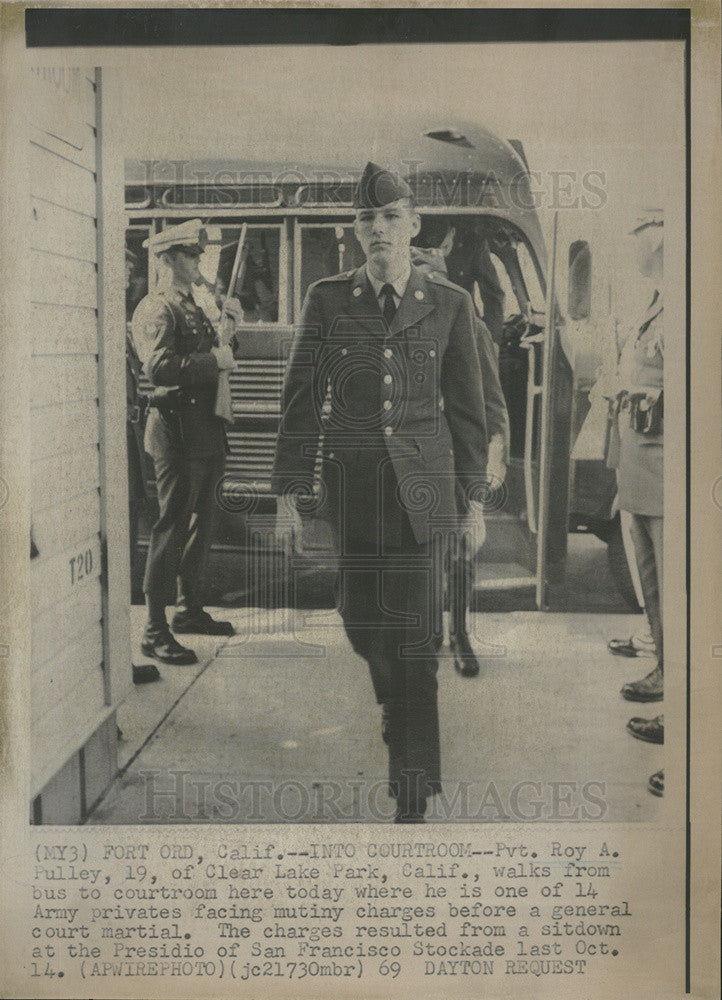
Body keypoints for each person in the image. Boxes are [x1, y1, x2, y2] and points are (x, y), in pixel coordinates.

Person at [272, 163, 489, 822]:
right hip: (355, 494)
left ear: (414, 225)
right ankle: (394, 701)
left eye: (391, 217)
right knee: (362, 625)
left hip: (426, 497)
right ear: (355, 230)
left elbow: (469, 411)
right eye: (366, 219)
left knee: (416, 645)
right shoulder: (328, 299)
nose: (378, 230)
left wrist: (474, 502)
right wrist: (288, 496)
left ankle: (413, 796)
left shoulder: (449, 302)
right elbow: (300, 401)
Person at [132, 220, 242, 665]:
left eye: (199, 255)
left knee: (205, 522)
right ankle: (154, 629)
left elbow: (222, 357)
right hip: (177, 433)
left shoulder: (194, 304)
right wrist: (212, 358)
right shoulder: (159, 308)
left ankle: (189, 610)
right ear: (168, 260)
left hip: (207, 430)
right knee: (172, 528)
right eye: (192, 256)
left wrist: (230, 329)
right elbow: (159, 368)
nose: (200, 262)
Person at [410, 239, 510, 676]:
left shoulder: (470, 322)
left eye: (430, 270)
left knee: (462, 553)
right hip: (415, 457)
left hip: (457, 455)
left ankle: (461, 636)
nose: (423, 280)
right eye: (416, 271)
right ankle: (429, 632)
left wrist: (491, 463)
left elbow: (492, 403)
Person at [613, 210, 665, 794]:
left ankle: (678, 713)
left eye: (643, 250)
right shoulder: (653, 304)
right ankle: (662, 673)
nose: (637, 259)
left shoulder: (681, 309)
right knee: (651, 586)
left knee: (674, 596)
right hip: (641, 470)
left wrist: (646, 396)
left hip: (665, 471)